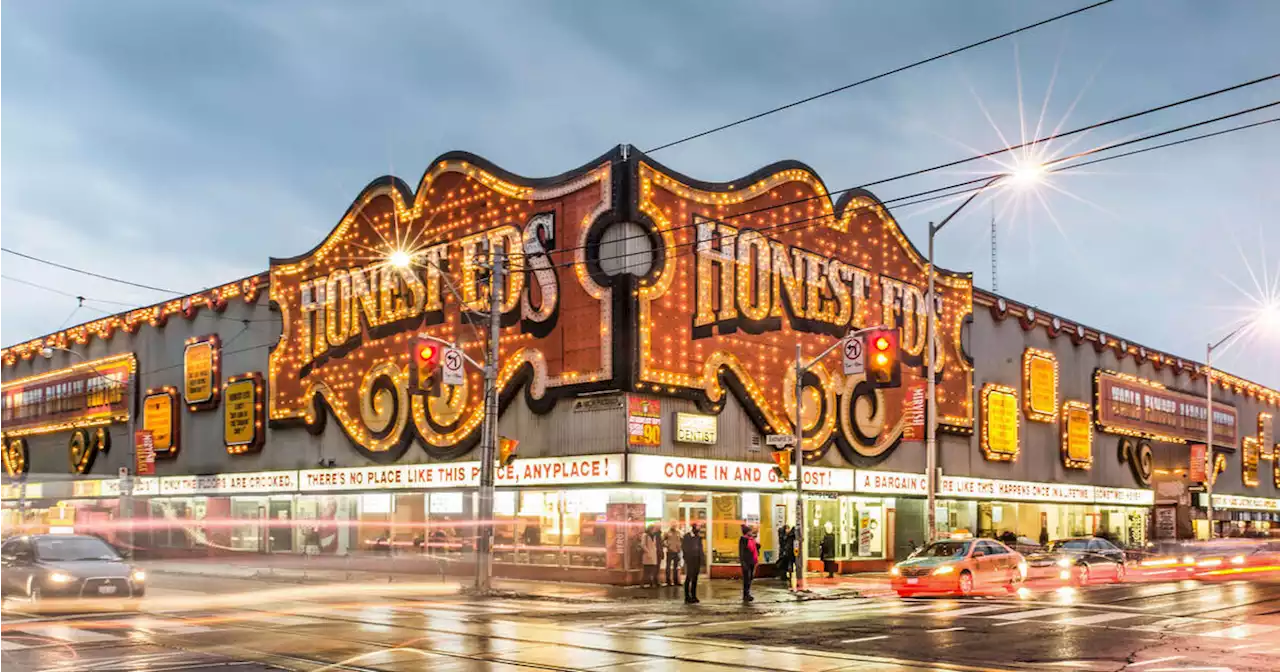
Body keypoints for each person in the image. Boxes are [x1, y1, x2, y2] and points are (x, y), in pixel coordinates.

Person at [682, 523, 704, 603]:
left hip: (697, 559)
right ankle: (687, 596)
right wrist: (686, 558)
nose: (698, 530)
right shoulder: (687, 536)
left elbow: (700, 548)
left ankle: (694, 595)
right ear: (693, 528)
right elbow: (684, 548)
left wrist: (701, 558)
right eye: (697, 528)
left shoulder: (698, 537)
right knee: (689, 577)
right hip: (690, 559)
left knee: (695, 577)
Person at [739, 524, 759, 602]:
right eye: (750, 531)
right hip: (746, 562)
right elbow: (741, 552)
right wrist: (743, 563)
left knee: (750, 578)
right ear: (747, 532)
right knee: (746, 579)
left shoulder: (751, 539)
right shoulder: (743, 539)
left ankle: (748, 593)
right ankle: (745, 595)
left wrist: (755, 541)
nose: (751, 532)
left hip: (752, 561)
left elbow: (757, 547)